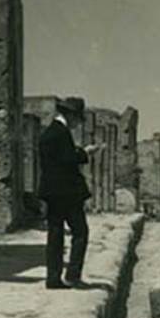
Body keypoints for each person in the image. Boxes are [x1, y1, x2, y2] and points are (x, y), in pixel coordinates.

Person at [37, 97, 105, 289]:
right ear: (72, 116)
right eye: (78, 119)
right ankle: (73, 275)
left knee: (55, 234)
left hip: (52, 192)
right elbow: (67, 160)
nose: (78, 124)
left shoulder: (49, 133)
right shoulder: (61, 133)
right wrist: (85, 153)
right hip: (66, 193)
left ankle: (53, 277)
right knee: (81, 232)